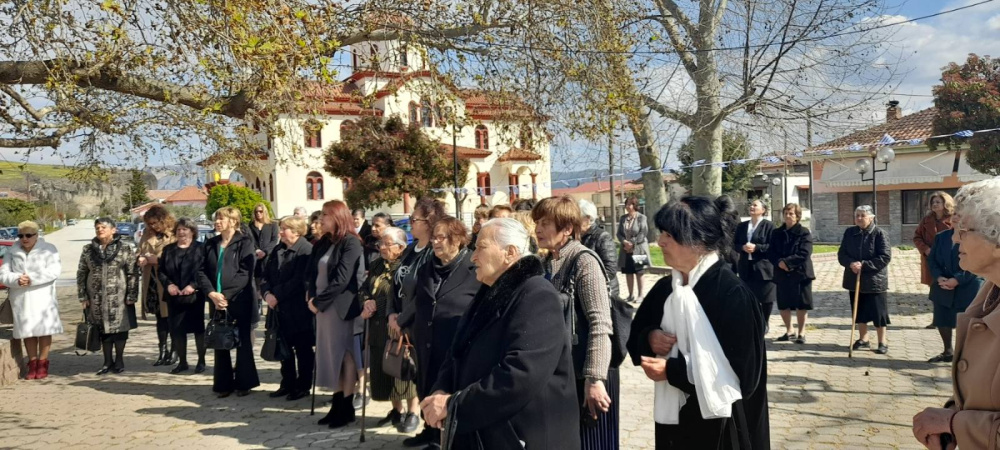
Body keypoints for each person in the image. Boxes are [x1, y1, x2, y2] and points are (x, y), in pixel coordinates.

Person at [420, 218, 581, 449]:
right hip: (486, 432)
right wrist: (441, 389)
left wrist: (455, 405)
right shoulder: (489, 292)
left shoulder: (537, 295)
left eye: (481, 248)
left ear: (510, 253)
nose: (473, 257)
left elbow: (520, 374)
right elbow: (457, 352)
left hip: (521, 436)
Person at [627, 196, 768, 449]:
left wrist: (673, 371)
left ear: (699, 241)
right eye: (662, 233)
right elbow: (635, 335)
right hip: (675, 423)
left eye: (670, 235)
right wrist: (650, 337)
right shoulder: (666, 289)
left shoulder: (731, 293)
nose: (660, 242)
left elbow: (745, 375)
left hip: (723, 424)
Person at [912, 178, 1000, 449]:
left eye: (962, 229)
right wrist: (953, 414)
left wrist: (954, 424)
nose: (954, 238)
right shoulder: (991, 291)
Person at [532, 196, 618, 449]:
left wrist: (594, 378)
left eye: (545, 223)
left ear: (567, 228)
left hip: (586, 374)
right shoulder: (546, 262)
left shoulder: (584, 261)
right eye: (537, 223)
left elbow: (600, 323)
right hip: (561, 374)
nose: (538, 229)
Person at [404, 216, 480, 449]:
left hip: (455, 341)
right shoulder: (428, 266)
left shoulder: (473, 267)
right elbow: (419, 300)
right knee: (426, 384)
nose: (435, 242)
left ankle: (446, 439)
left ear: (456, 240)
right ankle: (430, 431)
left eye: (441, 237)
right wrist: (403, 321)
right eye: (434, 238)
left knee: (449, 389)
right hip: (426, 341)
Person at [307, 200, 365, 429]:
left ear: (338, 217)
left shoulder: (351, 242)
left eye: (325, 215)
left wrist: (319, 302)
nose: (321, 219)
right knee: (332, 357)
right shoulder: (323, 242)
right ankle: (337, 403)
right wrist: (311, 296)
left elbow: (342, 278)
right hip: (322, 309)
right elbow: (311, 273)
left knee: (345, 356)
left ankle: (346, 406)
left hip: (341, 308)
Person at [360, 227, 420, 433]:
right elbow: (365, 288)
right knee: (385, 367)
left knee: (404, 368)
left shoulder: (407, 267)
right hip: (377, 326)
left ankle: (413, 412)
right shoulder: (376, 264)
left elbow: (403, 296)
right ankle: (397, 410)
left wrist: (380, 307)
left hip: (399, 324)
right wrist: (366, 301)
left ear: (401, 247)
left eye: (387, 244)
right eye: (380, 243)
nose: (382, 247)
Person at [198, 206, 260, 397]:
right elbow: (200, 271)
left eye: (221, 218)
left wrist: (225, 295)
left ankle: (244, 383)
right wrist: (212, 293)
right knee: (220, 340)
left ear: (233, 221)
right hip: (216, 299)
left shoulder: (245, 242)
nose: (217, 222)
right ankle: (223, 384)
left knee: (242, 341)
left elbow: (245, 273)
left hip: (239, 299)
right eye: (216, 218)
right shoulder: (210, 243)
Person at [0, 221, 62, 379]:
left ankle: (43, 362)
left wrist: (31, 278)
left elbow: (54, 271)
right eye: (21, 235)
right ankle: (32, 363)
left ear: (36, 235)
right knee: (27, 331)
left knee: (44, 330)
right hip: (21, 297)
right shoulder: (11, 251)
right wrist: (16, 279)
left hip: (42, 296)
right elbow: (3, 274)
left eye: (28, 235)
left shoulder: (49, 249)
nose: (24, 239)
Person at [261, 215, 314, 400]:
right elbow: (265, 275)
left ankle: (303, 385)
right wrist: (267, 294)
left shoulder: (305, 250)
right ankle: (287, 383)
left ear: (297, 231)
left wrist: (277, 295)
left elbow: (299, 280)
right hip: (278, 309)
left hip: (298, 310)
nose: (281, 232)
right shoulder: (278, 248)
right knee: (283, 348)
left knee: (303, 349)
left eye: (284, 229)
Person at [78, 217, 140, 375]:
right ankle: (107, 362)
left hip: (119, 297)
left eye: (103, 227)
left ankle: (119, 360)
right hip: (96, 298)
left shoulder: (124, 248)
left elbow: (132, 272)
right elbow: (82, 272)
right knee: (102, 329)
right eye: (97, 227)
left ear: (113, 230)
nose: (100, 230)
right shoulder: (88, 249)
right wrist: (83, 296)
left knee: (120, 329)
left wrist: (132, 294)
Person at [838, 205, 892, 354]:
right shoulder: (850, 233)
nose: (859, 218)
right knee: (859, 310)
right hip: (854, 277)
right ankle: (863, 339)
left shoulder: (879, 233)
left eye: (863, 215)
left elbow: (885, 257)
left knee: (878, 313)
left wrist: (864, 265)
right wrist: (851, 263)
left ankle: (882, 342)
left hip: (875, 280)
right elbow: (842, 254)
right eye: (857, 215)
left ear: (871, 218)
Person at [158, 218, 208, 374]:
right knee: (177, 330)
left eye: (185, 229)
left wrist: (193, 285)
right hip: (174, 296)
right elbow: (161, 271)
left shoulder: (201, 248)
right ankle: (182, 362)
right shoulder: (168, 249)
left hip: (194, 296)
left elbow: (205, 270)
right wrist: (169, 285)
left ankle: (201, 361)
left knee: (198, 329)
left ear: (192, 231)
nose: (181, 232)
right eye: (179, 229)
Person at [926, 226, 981, 363]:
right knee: (942, 317)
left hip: (967, 285)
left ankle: (965, 355)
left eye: (959, 216)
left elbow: (978, 262)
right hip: (942, 283)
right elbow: (932, 260)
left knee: (966, 322)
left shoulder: (976, 236)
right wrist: (939, 277)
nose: (956, 218)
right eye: (954, 215)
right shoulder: (941, 236)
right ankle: (948, 352)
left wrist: (957, 280)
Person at [769, 203, 815, 344]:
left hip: (800, 273)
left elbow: (805, 252)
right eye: (786, 213)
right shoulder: (776, 233)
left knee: (801, 304)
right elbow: (771, 252)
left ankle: (801, 332)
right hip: (781, 273)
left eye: (791, 214)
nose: (788, 216)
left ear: (797, 216)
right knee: (784, 304)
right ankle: (789, 331)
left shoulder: (804, 232)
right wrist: (780, 263)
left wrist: (788, 263)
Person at [138, 204, 177, 367]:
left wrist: (158, 259)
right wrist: (141, 258)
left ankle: (174, 350)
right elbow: (140, 251)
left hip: (169, 281)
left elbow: (178, 255)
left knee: (171, 317)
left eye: (155, 223)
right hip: (152, 281)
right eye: (150, 223)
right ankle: (162, 350)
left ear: (163, 220)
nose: (153, 226)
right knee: (160, 318)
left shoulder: (174, 233)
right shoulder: (147, 234)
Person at [914, 192, 955, 329]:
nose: (934, 204)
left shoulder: (953, 219)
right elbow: (917, 237)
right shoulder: (926, 220)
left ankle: (952, 319)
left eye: (938, 202)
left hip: (948, 261)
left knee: (949, 288)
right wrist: (925, 249)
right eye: (933, 202)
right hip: (930, 260)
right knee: (935, 289)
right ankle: (937, 320)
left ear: (945, 203)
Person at [735, 199, 776, 333]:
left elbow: (773, 246)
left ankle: (764, 322)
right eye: (751, 205)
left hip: (763, 268)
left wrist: (757, 247)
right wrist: (742, 247)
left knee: (766, 297)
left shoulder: (769, 226)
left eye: (755, 205)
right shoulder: (742, 226)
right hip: (746, 267)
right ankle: (752, 322)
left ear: (763, 210)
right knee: (748, 297)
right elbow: (734, 244)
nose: (751, 207)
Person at [579, 199, 620, 300]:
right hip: (586, 291)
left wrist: (588, 281)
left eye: (576, 218)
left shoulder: (602, 237)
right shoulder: (578, 236)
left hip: (604, 292)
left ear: (587, 219)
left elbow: (610, 269)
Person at [618, 196, 649, 303]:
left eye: (629, 204)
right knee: (628, 272)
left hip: (639, 249)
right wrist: (624, 242)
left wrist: (632, 243)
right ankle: (630, 295)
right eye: (626, 204)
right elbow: (619, 233)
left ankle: (640, 295)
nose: (627, 206)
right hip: (625, 250)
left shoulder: (642, 218)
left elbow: (643, 232)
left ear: (634, 205)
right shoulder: (623, 218)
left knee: (640, 272)